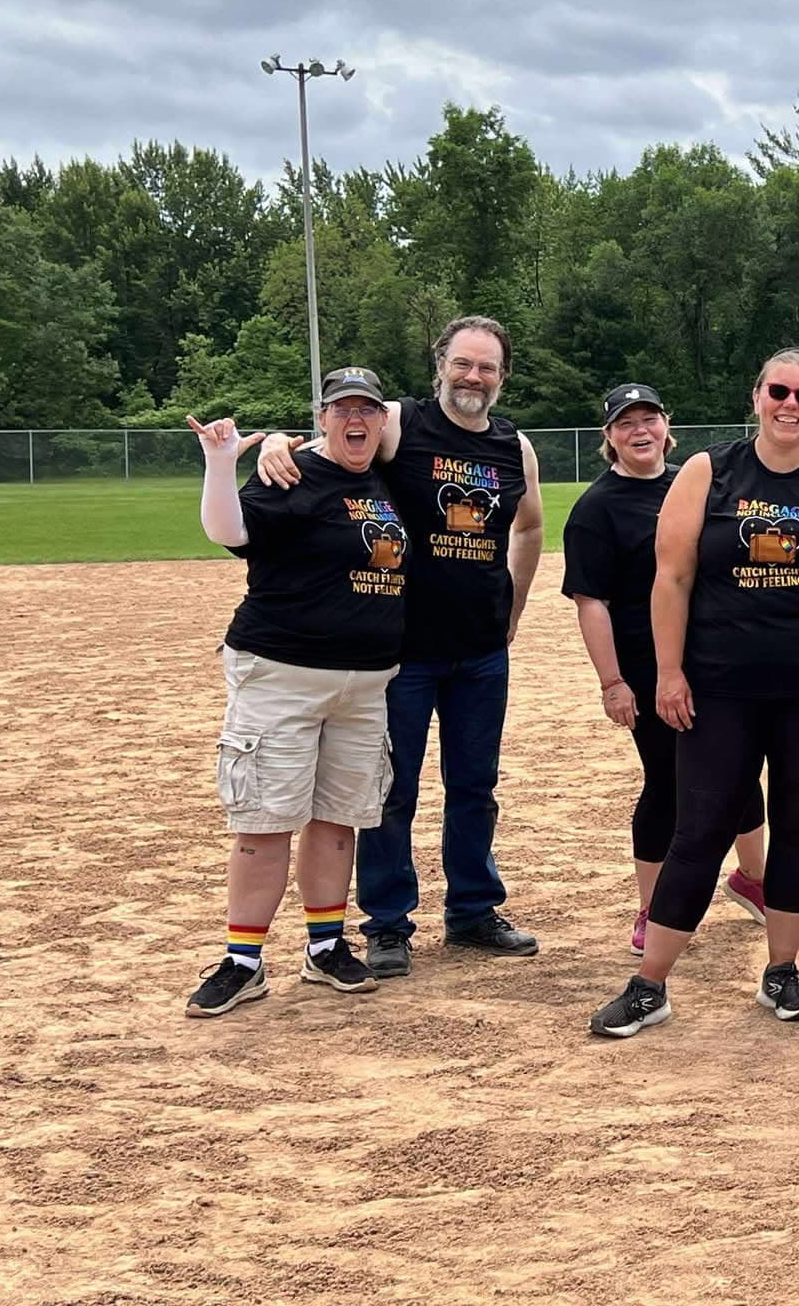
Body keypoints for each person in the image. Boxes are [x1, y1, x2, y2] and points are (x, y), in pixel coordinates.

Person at [589, 349, 799, 1038]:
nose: (791, 404)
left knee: (795, 826)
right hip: (720, 686)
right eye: (779, 391)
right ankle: (649, 985)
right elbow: (671, 579)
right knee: (698, 828)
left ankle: (781, 971)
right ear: (756, 396)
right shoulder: (707, 471)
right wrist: (668, 672)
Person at [257, 316, 545, 977]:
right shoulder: (400, 422)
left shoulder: (514, 445)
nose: (474, 377)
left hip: (480, 650)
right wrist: (277, 440)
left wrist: (515, 605)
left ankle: (473, 910)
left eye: (488, 367)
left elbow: (529, 528)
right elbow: (338, 429)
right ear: (440, 363)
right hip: (404, 648)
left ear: (502, 377)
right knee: (391, 791)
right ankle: (388, 923)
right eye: (463, 363)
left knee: (475, 785)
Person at [184, 367, 408, 1016]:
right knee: (263, 820)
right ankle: (243, 959)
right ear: (324, 417)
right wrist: (223, 463)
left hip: (365, 683)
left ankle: (324, 947)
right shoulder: (294, 473)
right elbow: (231, 533)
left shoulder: (386, 480)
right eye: (342, 409)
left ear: (383, 420)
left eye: (368, 408)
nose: (356, 419)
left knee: (339, 820)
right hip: (281, 673)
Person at [562, 382, 769, 961]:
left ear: (666, 425)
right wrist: (613, 682)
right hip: (649, 669)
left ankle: (753, 877)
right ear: (609, 437)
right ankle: (652, 906)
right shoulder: (597, 508)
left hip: (715, 658)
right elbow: (590, 601)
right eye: (626, 423)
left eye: (648, 419)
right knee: (667, 780)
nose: (640, 431)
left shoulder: (694, 485)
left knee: (737, 769)